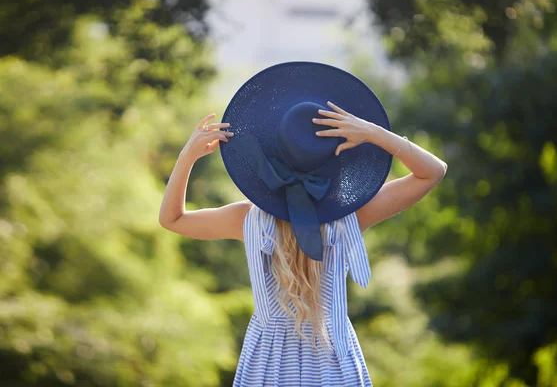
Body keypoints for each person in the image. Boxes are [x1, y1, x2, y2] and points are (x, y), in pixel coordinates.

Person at [159, 62, 447, 386]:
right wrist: (372, 133)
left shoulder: (246, 220)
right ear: (331, 160)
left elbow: (172, 219)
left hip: (266, 367)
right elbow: (432, 171)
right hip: (333, 365)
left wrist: (187, 156)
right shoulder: (349, 218)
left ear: (273, 149)